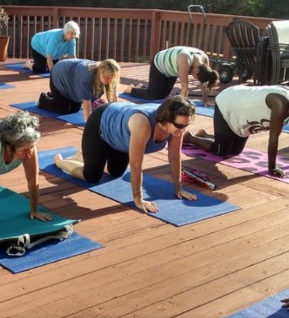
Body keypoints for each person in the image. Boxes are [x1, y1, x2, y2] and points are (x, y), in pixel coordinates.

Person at [54, 95, 198, 213]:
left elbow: (174, 157)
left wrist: (179, 188)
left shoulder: (177, 126)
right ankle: (60, 161)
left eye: (186, 125)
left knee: (115, 172)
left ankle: (88, 155)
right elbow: (136, 165)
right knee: (92, 176)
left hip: (120, 140)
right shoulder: (143, 123)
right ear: (166, 119)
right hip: (101, 123)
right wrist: (138, 199)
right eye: (179, 126)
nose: (182, 130)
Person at [183, 85, 289, 178]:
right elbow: (273, 137)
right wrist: (272, 167)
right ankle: (190, 137)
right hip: (229, 103)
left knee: (235, 151)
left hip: (242, 111)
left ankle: (204, 135)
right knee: (221, 151)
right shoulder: (281, 103)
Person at [0, 110, 52, 221]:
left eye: (31, 148)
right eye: (24, 150)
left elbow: (32, 180)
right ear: (9, 148)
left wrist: (35, 210)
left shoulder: (28, 145)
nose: (29, 153)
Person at [123, 46, 219, 106]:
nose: (194, 78)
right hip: (159, 64)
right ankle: (131, 89)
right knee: (153, 96)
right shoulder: (185, 59)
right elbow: (185, 87)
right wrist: (181, 107)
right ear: (197, 70)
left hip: (171, 70)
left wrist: (205, 102)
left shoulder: (204, 59)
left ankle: (142, 88)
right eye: (195, 76)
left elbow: (204, 84)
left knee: (164, 95)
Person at [37, 58, 121, 122]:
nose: (109, 80)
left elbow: (113, 96)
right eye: (107, 78)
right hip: (59, 75)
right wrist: (89, 124)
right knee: (62, 109)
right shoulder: (87, 75)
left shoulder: (109, 76)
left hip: (72, 81)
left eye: (111, 78)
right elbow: (86, 103)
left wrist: (117, 115)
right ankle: (43, 100)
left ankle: (55, 96)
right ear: (100, 72)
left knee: (74, 110)